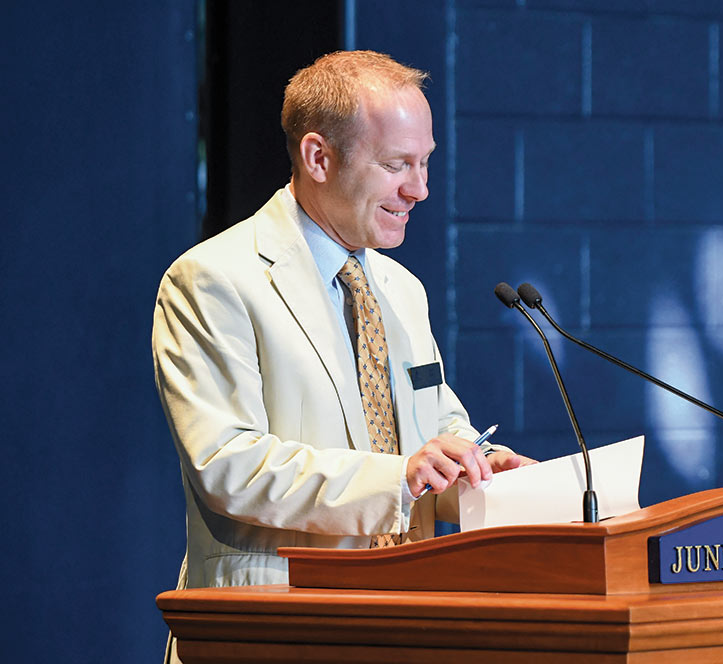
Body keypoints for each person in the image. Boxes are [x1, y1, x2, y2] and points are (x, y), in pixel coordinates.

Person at [152, 50, 530, 599]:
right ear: (318, 158)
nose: (419, 189)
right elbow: (230, 467)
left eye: (425, 162)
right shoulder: (213, 280)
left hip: (404, 612)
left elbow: (434, 431)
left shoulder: (401, 288)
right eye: (396, 164)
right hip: (279, 623)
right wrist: (399, 476)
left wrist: (484, 466)